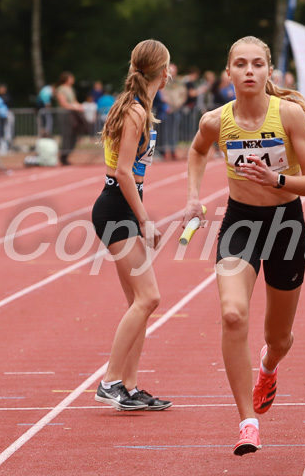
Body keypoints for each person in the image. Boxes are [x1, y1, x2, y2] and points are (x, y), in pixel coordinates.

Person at [183, 35, 305, 456]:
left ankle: (268, 366)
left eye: (257, 64)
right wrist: (193, 196)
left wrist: (276, 179)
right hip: (240, 223)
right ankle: (247, 421)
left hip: (285, 226)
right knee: (231, 314)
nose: (248, 71)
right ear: (228, 72)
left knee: (278, 337)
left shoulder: (290, 115)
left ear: (268, 72)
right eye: (240, 64)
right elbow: (196, 151)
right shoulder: (215, 120)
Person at [91, 39, 172, 412]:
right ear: (162, 72)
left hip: (120, 207)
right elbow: (123, 172)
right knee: (150, 297)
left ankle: (130, 386)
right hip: (116, 209)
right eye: (169, 66)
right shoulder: (136, 112)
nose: (171, 71)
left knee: (138, 301)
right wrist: (144, 219)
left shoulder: (138, 107)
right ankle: (110, 381)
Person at [55, 72, 88, 165]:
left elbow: (74, 101)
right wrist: (75, 107)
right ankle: (63, 156)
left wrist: (79, 106)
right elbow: (63, 103)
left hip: (72, 114)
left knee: (74, 134)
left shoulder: (70, 89)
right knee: (66, 134)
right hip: (65, 114)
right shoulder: (61, 89)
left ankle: (67, 154)